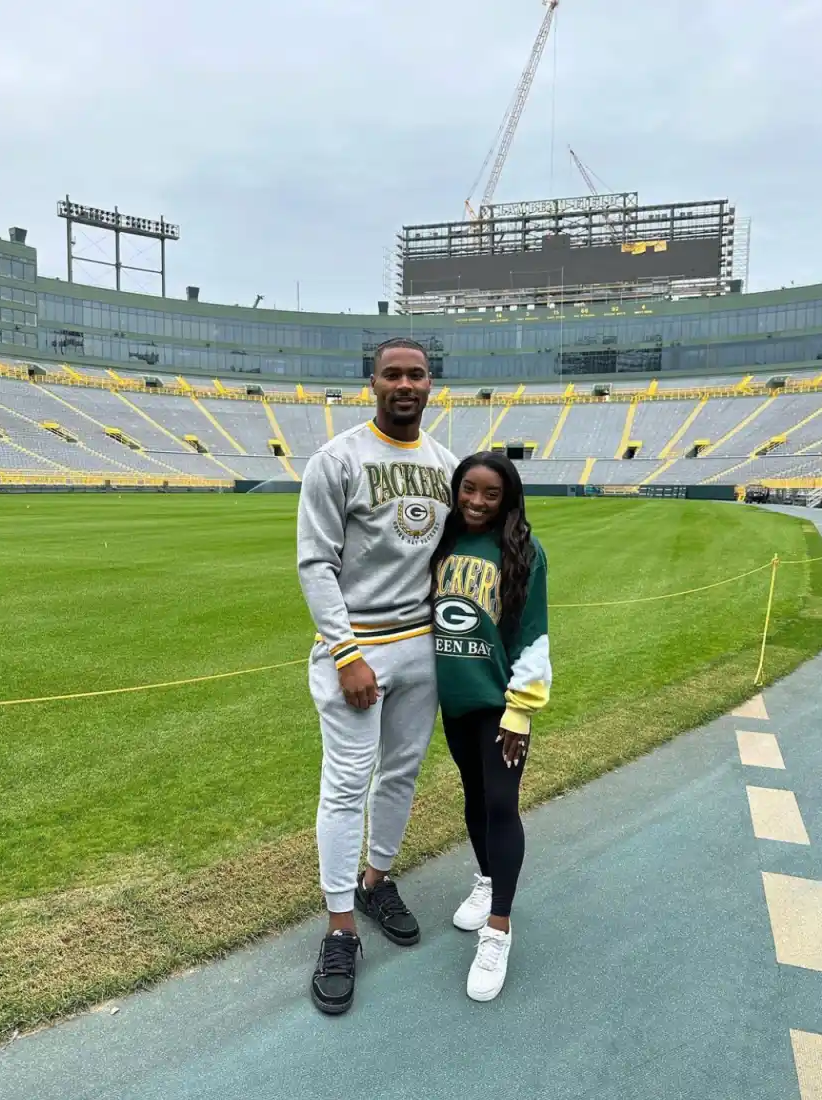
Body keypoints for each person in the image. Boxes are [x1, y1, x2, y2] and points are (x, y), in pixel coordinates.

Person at [296, 337, 457, 1015]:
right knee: (345, 784)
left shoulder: (447, 464)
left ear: (431, 385)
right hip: (358, 650)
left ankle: (376, 879)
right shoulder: (337, 460)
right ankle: (339, 927)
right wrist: (345, 653)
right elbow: (316, 563)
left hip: (423, 647)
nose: (405, 384)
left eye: (416, 374)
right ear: (373, 382)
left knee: (401, 773)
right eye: (393, 373)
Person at [430, 451, 551, 1002]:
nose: (476, 501)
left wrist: (521, 708)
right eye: (468, 490)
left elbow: (533, 632)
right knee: (474, 799)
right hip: (455, 700)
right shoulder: (443, 541)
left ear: (508, 498)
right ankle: (486, 879)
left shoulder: (525, 552)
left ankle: (498, 928)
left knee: (501, 804)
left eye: (491, 493)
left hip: (499, 705)